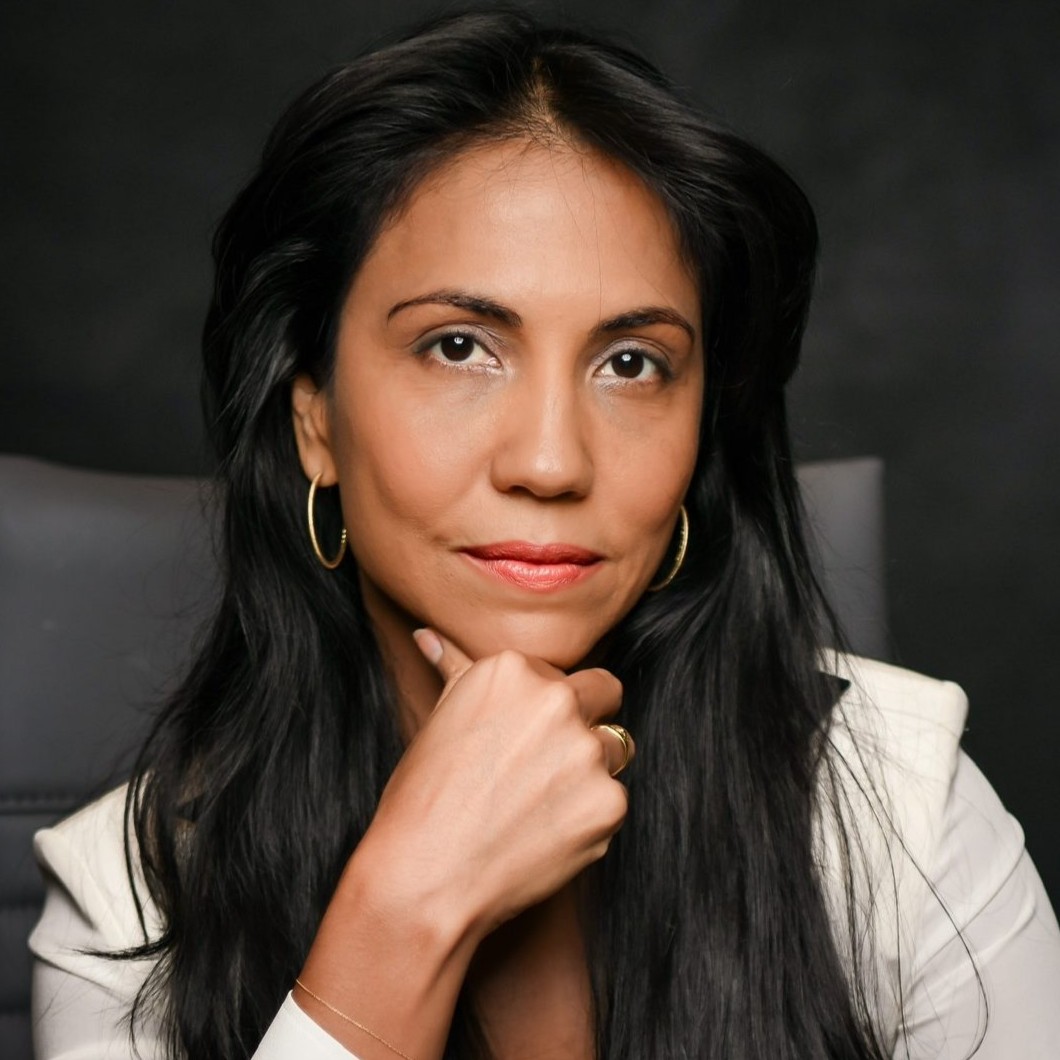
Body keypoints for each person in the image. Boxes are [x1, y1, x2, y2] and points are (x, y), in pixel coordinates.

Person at [28, 9, 1060, 1060]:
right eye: (459, 347)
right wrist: (410, 907)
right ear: (315, 420)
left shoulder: (897, 802)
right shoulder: (130, 898)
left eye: (631, 364)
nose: (552, 461)